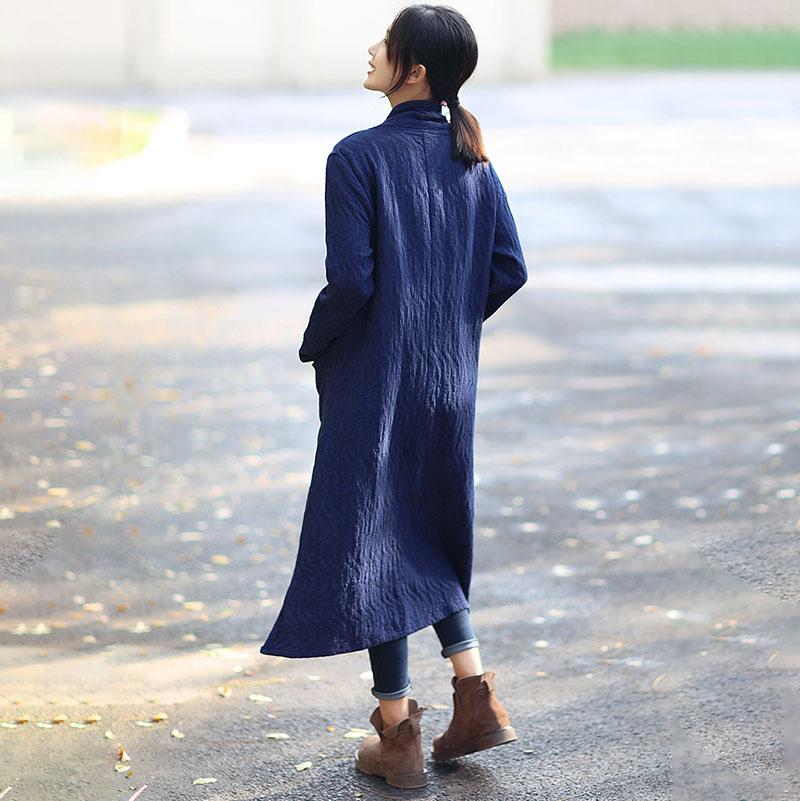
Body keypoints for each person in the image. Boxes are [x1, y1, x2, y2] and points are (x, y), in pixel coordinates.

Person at [259, 3, 528, 789]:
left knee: (377, 535)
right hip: (446, 377)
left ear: (413, 70)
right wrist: (444, 321)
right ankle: (474, 698)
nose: (372, 47)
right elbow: (508, 269)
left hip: (375, 376)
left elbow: (352, 282)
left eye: (388, 41)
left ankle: (397, 733)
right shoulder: (474, 161)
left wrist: (318, 340)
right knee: (425, 522)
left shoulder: (357, 156)